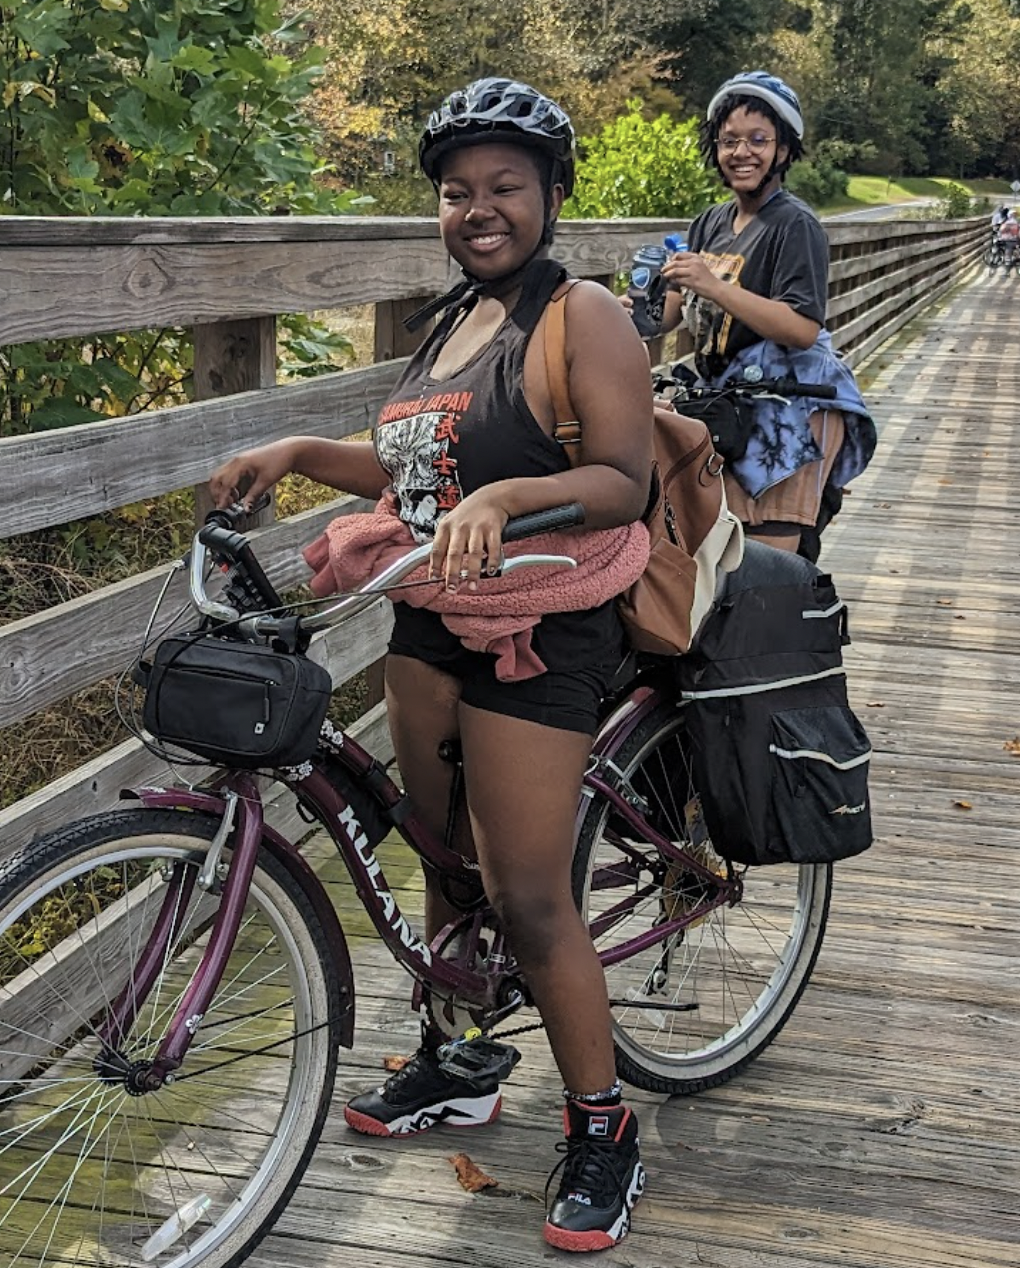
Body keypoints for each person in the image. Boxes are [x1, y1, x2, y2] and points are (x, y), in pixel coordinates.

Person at [209, 77, 653, 1253]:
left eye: (505, 185)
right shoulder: (446, 322)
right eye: (458, 192)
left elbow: (624, 476)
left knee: (528, 892)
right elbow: (414, 477)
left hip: (542, 624)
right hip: (430, 616)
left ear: (552, 193)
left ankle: (604, 1125)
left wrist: (511, 495)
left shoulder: (583, 314)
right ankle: (461, 1061)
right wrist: (304, 448)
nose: (479, 207)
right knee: (444, 864)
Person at [637, 70, 874, 560]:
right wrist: (624, 311)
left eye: (758, 140)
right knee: (712, 559)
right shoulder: (710, 223)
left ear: (783, 150)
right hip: (727, 409)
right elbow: (670, 315)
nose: (741, 152)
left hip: (787, 414)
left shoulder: (796, 225)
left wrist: (713, 284)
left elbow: (803, 328)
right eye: (729, 141)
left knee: (767, 570)